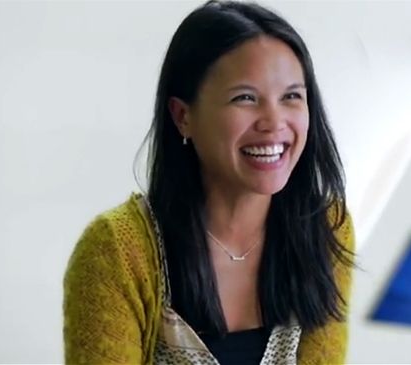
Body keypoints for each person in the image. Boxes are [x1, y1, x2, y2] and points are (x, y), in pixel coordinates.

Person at [63, 1, 356, 364]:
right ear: (183, 116)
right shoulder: (117, 250)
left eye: (291, 96)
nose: (274, 122)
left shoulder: (325, 225)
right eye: (245, 98)